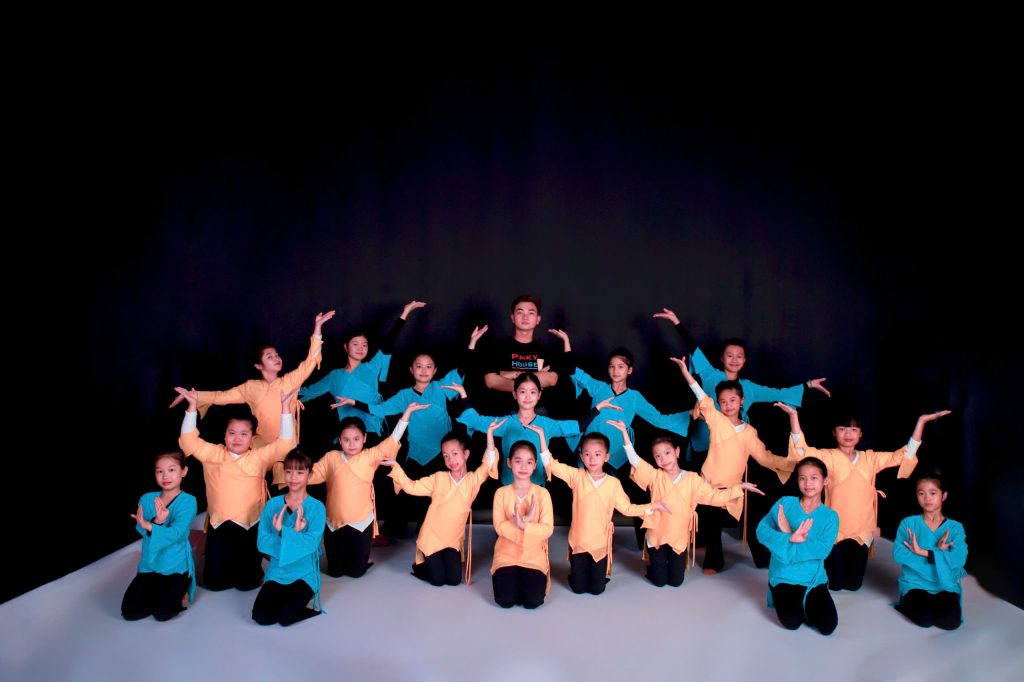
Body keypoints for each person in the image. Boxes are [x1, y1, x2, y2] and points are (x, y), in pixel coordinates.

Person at [777, 402, 951, 591]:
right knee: (834, 585)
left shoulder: (870, 458)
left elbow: (903, 455)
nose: (848, 434)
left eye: (853, 429)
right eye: (842, 429)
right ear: (834, 433)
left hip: (862, 529)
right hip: (834, 530)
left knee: (853, 585)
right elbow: (801, 451)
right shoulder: (827, 456)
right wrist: (793, 416)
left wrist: (921, 422)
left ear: (860, 434)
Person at [671, 357, 795, 573]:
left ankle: (763, 557)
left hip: (736, 486)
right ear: (718, 403)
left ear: (742, 400)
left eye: (732, 400)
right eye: (723, 401)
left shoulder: (749, 432)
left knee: (754, 519)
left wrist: (789, 463)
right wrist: (685, 371)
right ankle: (714, 561)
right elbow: (700, 394)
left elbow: (764, 457)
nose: (728, 405)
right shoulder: (716, 420)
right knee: (711, 522)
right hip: (710, 483)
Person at [605, 420, 762, 587]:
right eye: (658, 456)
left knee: (676, 581)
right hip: (657, 535)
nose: (663, 459)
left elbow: (714, 496)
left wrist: (739, 488)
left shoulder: (693, 479)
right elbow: (635, 460)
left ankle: (664, 565)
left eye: (667, 453)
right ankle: (653, 565)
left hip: (678, 536)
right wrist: (624, 434)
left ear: (677, 452)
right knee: (659, 581)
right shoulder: (655, 476)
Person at [652, 307, 829, 454]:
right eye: (730, 355)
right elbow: (694, 350)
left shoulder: (749, 388)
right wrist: (677, 323)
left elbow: (778, 393)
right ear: (722, 358)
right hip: (705, 444)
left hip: (733, 448)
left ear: (744, 360)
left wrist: (808, 385)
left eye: (739, 356)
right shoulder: (710, 375)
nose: (734, 360)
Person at [176, 386, 297, 591]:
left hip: (249, 524)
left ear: (252, 438)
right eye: (232, 433)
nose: (237, 438)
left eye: (243, 434)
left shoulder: (258, 457)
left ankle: (254, 567)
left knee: (248, 584)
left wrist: (285, 409)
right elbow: (188, 442)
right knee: (215, 583)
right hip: (219, 523)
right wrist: (192, 408)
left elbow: (285, 445)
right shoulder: (213, 454)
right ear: (224, 435)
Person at [535, 424, 669, 595]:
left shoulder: (613, 484)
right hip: (579, 541)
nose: (592, 459)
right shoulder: (576, 476)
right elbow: (551, 464)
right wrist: (542, 435)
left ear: (606, 457)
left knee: (597, 589)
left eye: (597, 454)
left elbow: (627, 509)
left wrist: (651, 507)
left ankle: (598, 576)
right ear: (581, 457)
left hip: (600, 543)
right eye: (587, 454)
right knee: (578, 588)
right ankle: (577, 575)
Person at [169, 311, 335, 447]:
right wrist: (193, 395)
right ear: (258, 365)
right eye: (270, 356)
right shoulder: (250, 387)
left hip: (287, 444)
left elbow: (311, 361)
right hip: (261, 446)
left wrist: (317, 328)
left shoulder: (290, 381)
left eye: (277, 355)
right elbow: (221, 396)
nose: (276, 358)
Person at [309, 402, 429, 578]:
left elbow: (392, 440)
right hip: (334, 522)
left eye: (356, 439)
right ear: (339, 440)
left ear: (364, 438)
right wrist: (294, 469)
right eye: (346, 440)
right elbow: (311, 475)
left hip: (361, 522)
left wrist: (407, 413)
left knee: (356, 572)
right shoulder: (331, 457)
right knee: (335, 572)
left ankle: (363, 561)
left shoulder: (370, 456)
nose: (351, 444)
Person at [383, 422, 500, 586]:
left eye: (455, 453)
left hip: (452, 539)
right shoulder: (438, 478)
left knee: (454, 580)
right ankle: (420, 565)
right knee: (438, 580)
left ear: (466, 454)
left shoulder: (473, 480)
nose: (451, 460)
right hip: (433, 537)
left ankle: (439, 562)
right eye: (446, 456)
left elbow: (488, 464)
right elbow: (411, 487)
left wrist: (489, 435)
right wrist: (396, 467)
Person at [299, 301, 424, 436]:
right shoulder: (334, 376)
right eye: (356, 344)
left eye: (364, 345)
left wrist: (405, 313)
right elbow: (308, 392)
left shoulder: (371, 367)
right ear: (346, 347)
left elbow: (388, 342)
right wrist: (283, 391)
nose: (361, 348)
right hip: (349, 435)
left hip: (373, 432)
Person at [756, 457, 840, 635]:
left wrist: (788, 535)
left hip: (813, 579)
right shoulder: (785, 503)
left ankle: (808, 602)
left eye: (814, 478)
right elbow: (761, 531)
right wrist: (789, 537)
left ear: (825, 480)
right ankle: (775, 589)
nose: (808, 483)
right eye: (802, 478)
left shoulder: (830, 516)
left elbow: (822, 550)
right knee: (792, 622)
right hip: (784, 575)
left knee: (828, 626)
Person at [457, 373, 581, 486]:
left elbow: (577, 426)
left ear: (539, 395)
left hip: (536, 486)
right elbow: (475, 420)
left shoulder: (547, 424)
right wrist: (463, 394)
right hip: (509, 486)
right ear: (515, 394)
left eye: (532, 392)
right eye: (522, 392)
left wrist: (594, 401)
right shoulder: (505, 423)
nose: (527, 396)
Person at [252, 450, 326, 626]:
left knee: (285, 618)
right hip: (277, 571)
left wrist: (284, 532)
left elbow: (311, 545)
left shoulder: (317, 507)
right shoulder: (272, 505)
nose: (293, 477)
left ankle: (303, 604)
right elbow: (263, 542)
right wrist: (290, 534)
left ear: (309, 474)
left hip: (304, 573)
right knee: (261, 617)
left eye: (300, 472)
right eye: (289, 471)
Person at [121, 452, 198, 621]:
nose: (165, 476)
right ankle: (161, 590)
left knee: (163, 614)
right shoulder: (147, 499)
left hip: (176, 565)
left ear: (183, 471)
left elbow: (176, 533)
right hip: (151, 564)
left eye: (171, 470)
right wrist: (156, 521)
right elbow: (141, 529)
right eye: (159, 471)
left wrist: (151, 525)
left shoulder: (188, 501)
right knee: (130, 612)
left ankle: (180, 590)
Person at [892, 472, 967, 630]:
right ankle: (905, 601)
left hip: (944, 584)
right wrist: (940, 556)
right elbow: (899, 555)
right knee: (924, 620)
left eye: (933, 493)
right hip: (915, 584)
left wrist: (922, 552)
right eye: (921, 493)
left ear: (943, 496)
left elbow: (959, 559)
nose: (927, 498)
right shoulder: (908, 523)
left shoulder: (955, 528)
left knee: (951, 622)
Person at [491, 440, 554, 609]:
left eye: (529, 462)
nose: (523, 467)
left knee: (533, 602)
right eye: (518, 461)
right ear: (509, 462)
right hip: (506, 553)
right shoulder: (501, 493)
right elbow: (499, 526)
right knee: (505, 600)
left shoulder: (542, 494)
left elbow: (547, 529)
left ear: (535, 465)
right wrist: (519, 520)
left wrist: (525, 524)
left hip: (534, 554)